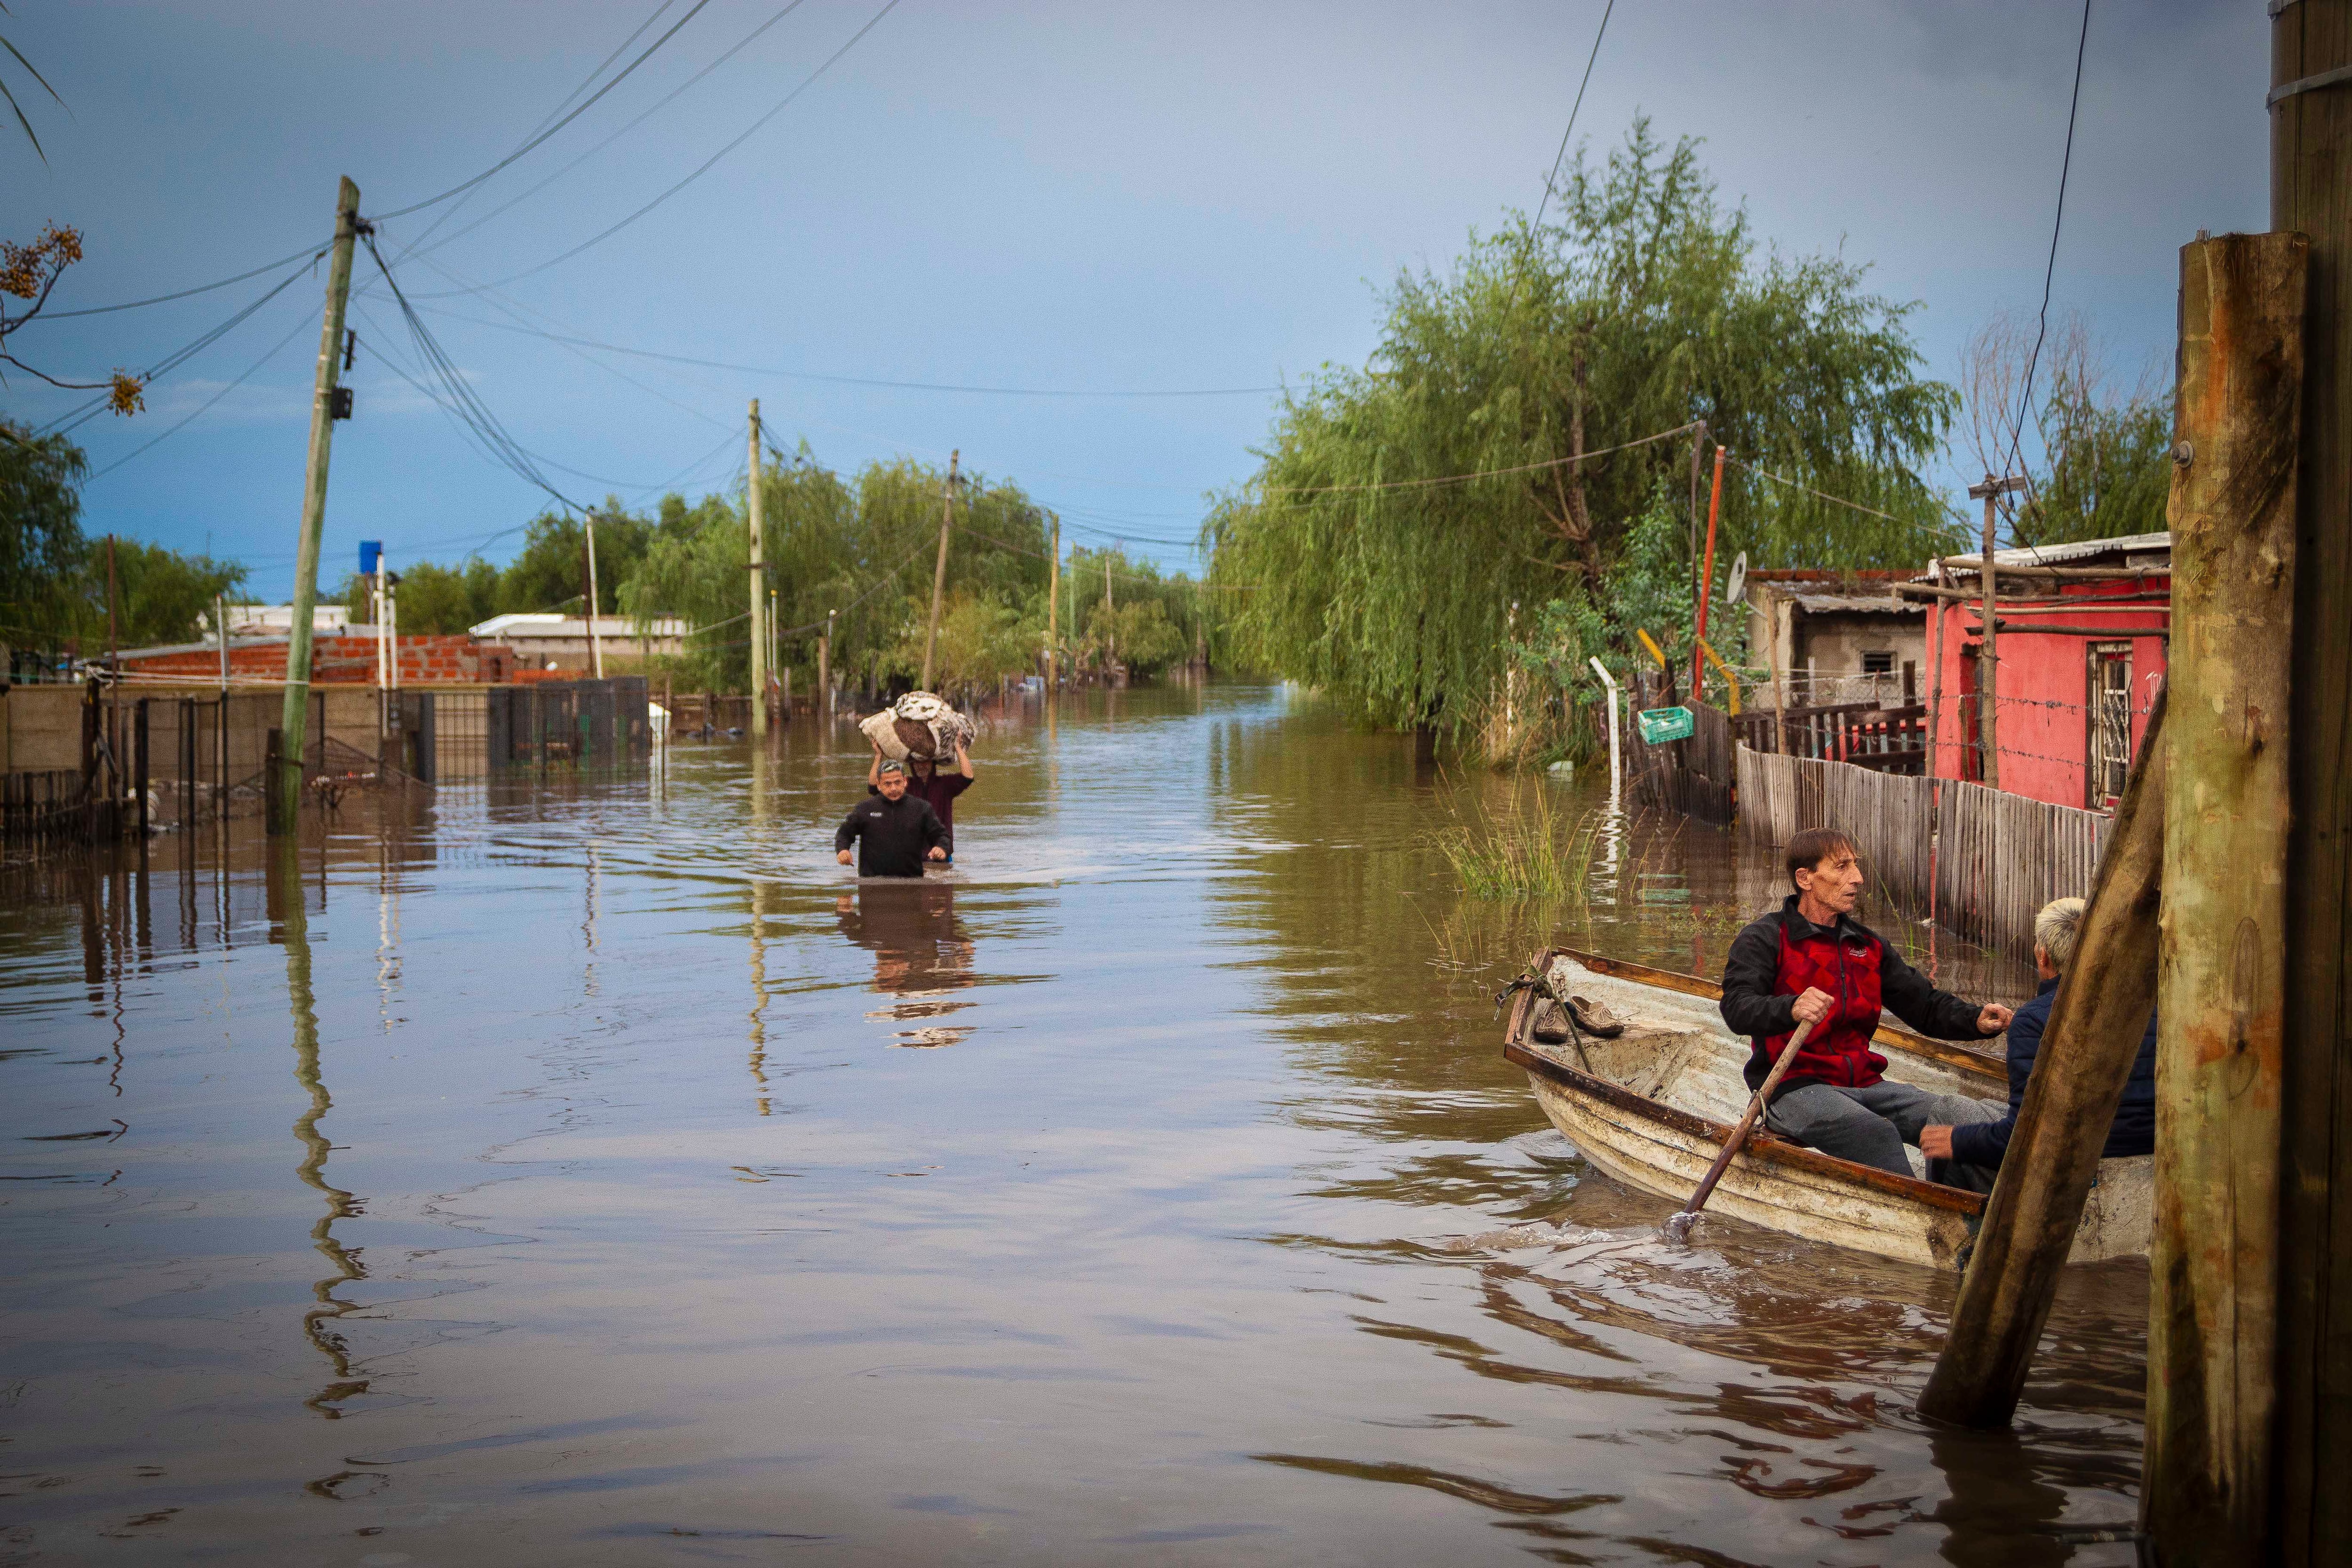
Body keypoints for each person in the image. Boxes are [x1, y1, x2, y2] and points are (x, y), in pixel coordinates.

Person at [1719, 826, 2012, 1184]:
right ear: (1805, 878)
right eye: (1842, 867)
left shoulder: (1867, 945)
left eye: (1855, 866)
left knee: (1961, 1116)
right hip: (1793, 1088)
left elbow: (1926, 1006)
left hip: (1866, 1084)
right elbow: (1736, 1007)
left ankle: (1961, 1214)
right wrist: (1791, 1007)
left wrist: (1976, 1021)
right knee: (1874, 1131)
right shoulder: (1765, 938)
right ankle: (1916, 1218)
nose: (1857, 878)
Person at [1919, 896, 2156, 1170]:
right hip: (2147, 1156)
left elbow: (2027, 1136)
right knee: (1985, 1107)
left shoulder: (2033, 1020)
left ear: (2043, 957)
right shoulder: (2155, 1006)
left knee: (1947, 1113)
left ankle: (1964, 1209)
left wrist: (1957, 1141)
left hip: (2074, 1171)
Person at [868, 738, 973, 865]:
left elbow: (968, 777)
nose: (921, 766)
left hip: (940, 852)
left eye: (925, 762)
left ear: (933, 763)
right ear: (912, 764)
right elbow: (874, 787)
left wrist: (957, 747)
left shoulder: (945, 785)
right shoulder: (904, 786)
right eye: (916, 762)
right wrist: (879, 755)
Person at [835, 759, 948, 877]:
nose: (893, 788)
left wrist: (941, 848)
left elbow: (941, 835)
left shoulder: (922, 808)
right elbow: (844, 833)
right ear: (879, 785)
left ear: (905, 782)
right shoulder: (865, 809)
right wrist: (843, 850)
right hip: (871, 883)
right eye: (888, 784)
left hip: (912, 882)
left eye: (898, 782)